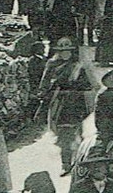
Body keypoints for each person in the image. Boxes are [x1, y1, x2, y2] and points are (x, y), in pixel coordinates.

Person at [38, 37, 94, 174]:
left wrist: (78, 86)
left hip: (75, 102)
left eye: (67, 50)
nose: (65, 53)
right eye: (62, 50)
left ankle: (78, 162)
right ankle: (66, 163)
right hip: (59, 103)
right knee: (63, 135)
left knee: (77, 132)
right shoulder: (52, 64)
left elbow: (87, 84)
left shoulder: (78, 65)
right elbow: (44, 83)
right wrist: (45, 93)